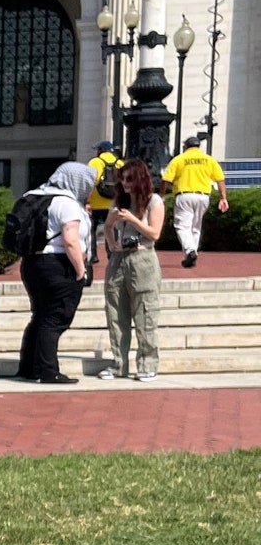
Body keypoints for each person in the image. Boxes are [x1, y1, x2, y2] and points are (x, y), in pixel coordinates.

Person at [15, 160, 92, 385]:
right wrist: (81, 271)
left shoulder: (33, 195)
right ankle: (49, 370)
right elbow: (70, 240)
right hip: (58, 265)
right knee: (55, 318)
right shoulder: (66, 203)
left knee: (39, 315)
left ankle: (28, 366)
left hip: (31, 264)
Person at [100, 156, 165, 382]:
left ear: (139, 179)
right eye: (122, 180)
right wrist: (111, 242)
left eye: (129, 180)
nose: (125, 184)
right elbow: (108, 226)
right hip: (119, 259)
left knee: (145, 312)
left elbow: (155, 234)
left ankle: (148, 364)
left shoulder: (154, 201)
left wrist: (133, 220)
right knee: (116, 312)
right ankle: (119, 364)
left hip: (143, 257)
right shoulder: (119, 202)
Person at [160, 135, 228, 267]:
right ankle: (191, 255)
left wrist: (161, 196)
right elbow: (220, 179)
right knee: (196, 227)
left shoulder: (179, 159)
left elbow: (166, 180)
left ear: (185, 146)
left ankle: (190, 250)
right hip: (203, 196)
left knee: (182, 226)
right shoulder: (208, 160)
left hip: (184, 195)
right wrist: (223, 198)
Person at [86, 140, 123, 265]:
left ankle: (93, 255)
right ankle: (112, 253)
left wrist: (87, 201)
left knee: (91, 230)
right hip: (112, 203)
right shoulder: (120, 163)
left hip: (95, 203)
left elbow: (90, 182)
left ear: (100, 150)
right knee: (111, 228)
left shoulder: (95, 162)